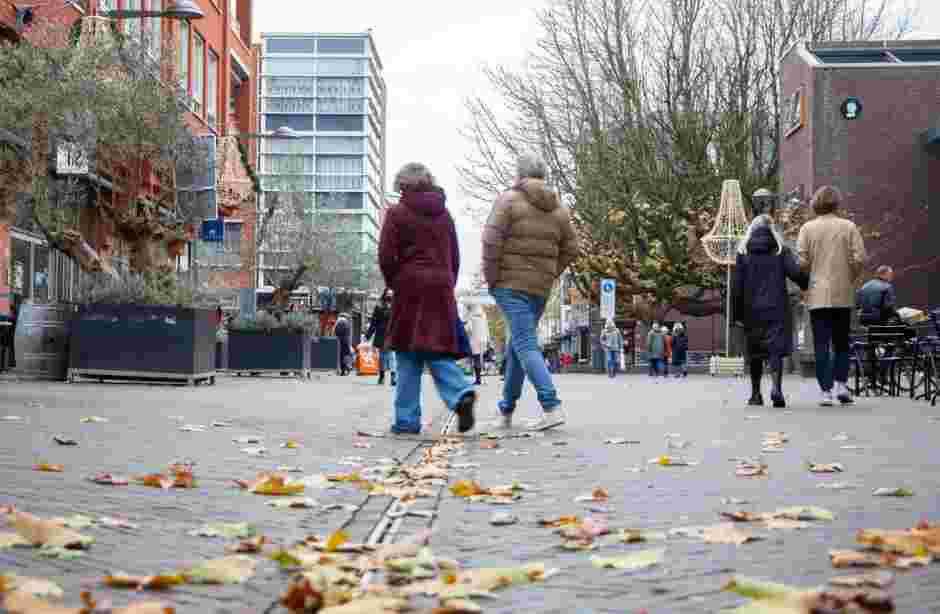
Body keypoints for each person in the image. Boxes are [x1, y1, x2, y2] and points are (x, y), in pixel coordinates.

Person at [482, 153, 579, 431]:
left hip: (510, 285)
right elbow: (572, 249)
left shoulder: (507, 201)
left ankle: (551, 405)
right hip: (539, 287)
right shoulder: (558, 209)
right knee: (516, 346)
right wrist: (549, 273)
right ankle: (506, 410)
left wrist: (492, 279)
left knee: (524, 343)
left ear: (519, 175)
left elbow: (490, 241)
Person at [378, 162, 476, 434]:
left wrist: (395, 282)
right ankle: (460, 392)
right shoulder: (445, 216)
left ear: (403, 185)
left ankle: (407, 420)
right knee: (436, 348)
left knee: (407, 352)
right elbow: (454, 257)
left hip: (409, 286)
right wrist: (447, 283)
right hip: (441, 286)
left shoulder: (397, 214)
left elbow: (386, 256)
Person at [797, 186, 867, 407]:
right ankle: (841, 385)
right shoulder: (849, 227)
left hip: (817, 294)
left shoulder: (807, 228)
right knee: (842, 343)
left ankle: (825, 391)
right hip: (842, 293)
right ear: (837, 203)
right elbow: (860, 258)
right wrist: (850, 277)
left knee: (821, 344)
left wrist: (807, 281)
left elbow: (802, 262)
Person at [734, 214, 810, 407]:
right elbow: (795, 273)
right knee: (774, 349)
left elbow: (737, 286)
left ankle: (756, 394)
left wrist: (736, 314)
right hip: (776, 307)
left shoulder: (743, 252)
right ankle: (776, 388)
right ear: (773, 230)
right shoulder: (780, 250)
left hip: (751, 309)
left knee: (755, 351)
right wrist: (806, 282)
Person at [365, 289, 395, 386]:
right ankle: (382, 376)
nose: (389, 295)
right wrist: (367, 336)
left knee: (392, 356)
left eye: (391, 293)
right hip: (381, 334)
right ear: (385, 294)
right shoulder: (379, 307)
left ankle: (393, 377)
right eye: (388, 293)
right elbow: (374, 323)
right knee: (382, 357)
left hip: (392, 334)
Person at [468, 304, 489, 385]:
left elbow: (468, 329)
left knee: (476, 358)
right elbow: (487, 328)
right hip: (483, 339)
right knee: (480, 358)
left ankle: (478, 379)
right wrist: (487, 339)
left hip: (474, 340)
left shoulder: (471, 316)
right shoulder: (484, 315)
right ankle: (479, 378)